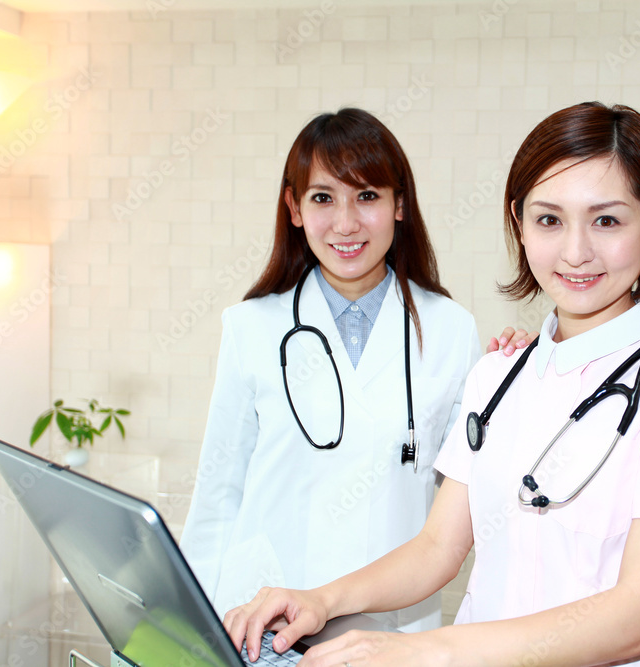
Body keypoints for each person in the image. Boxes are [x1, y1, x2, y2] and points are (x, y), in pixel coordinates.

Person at [223, 101, 640, 666]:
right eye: (549, 220)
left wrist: (423, 651)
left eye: (607, 221)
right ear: (520, 223)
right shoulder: (498, 375)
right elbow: (437, 549)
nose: (575, 252)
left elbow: (637, 619)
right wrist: (320, 600)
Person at [180, 108, 533, 634]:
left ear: (399, 205)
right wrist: (189, 631)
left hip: (389, 625)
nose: (345, 224)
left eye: (367, 196)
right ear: (294, 208)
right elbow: (217, 495)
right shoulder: (250, 327)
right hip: (262, 621)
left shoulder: (450, 329)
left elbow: (472, 491)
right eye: (323, 198)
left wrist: (517, 384)